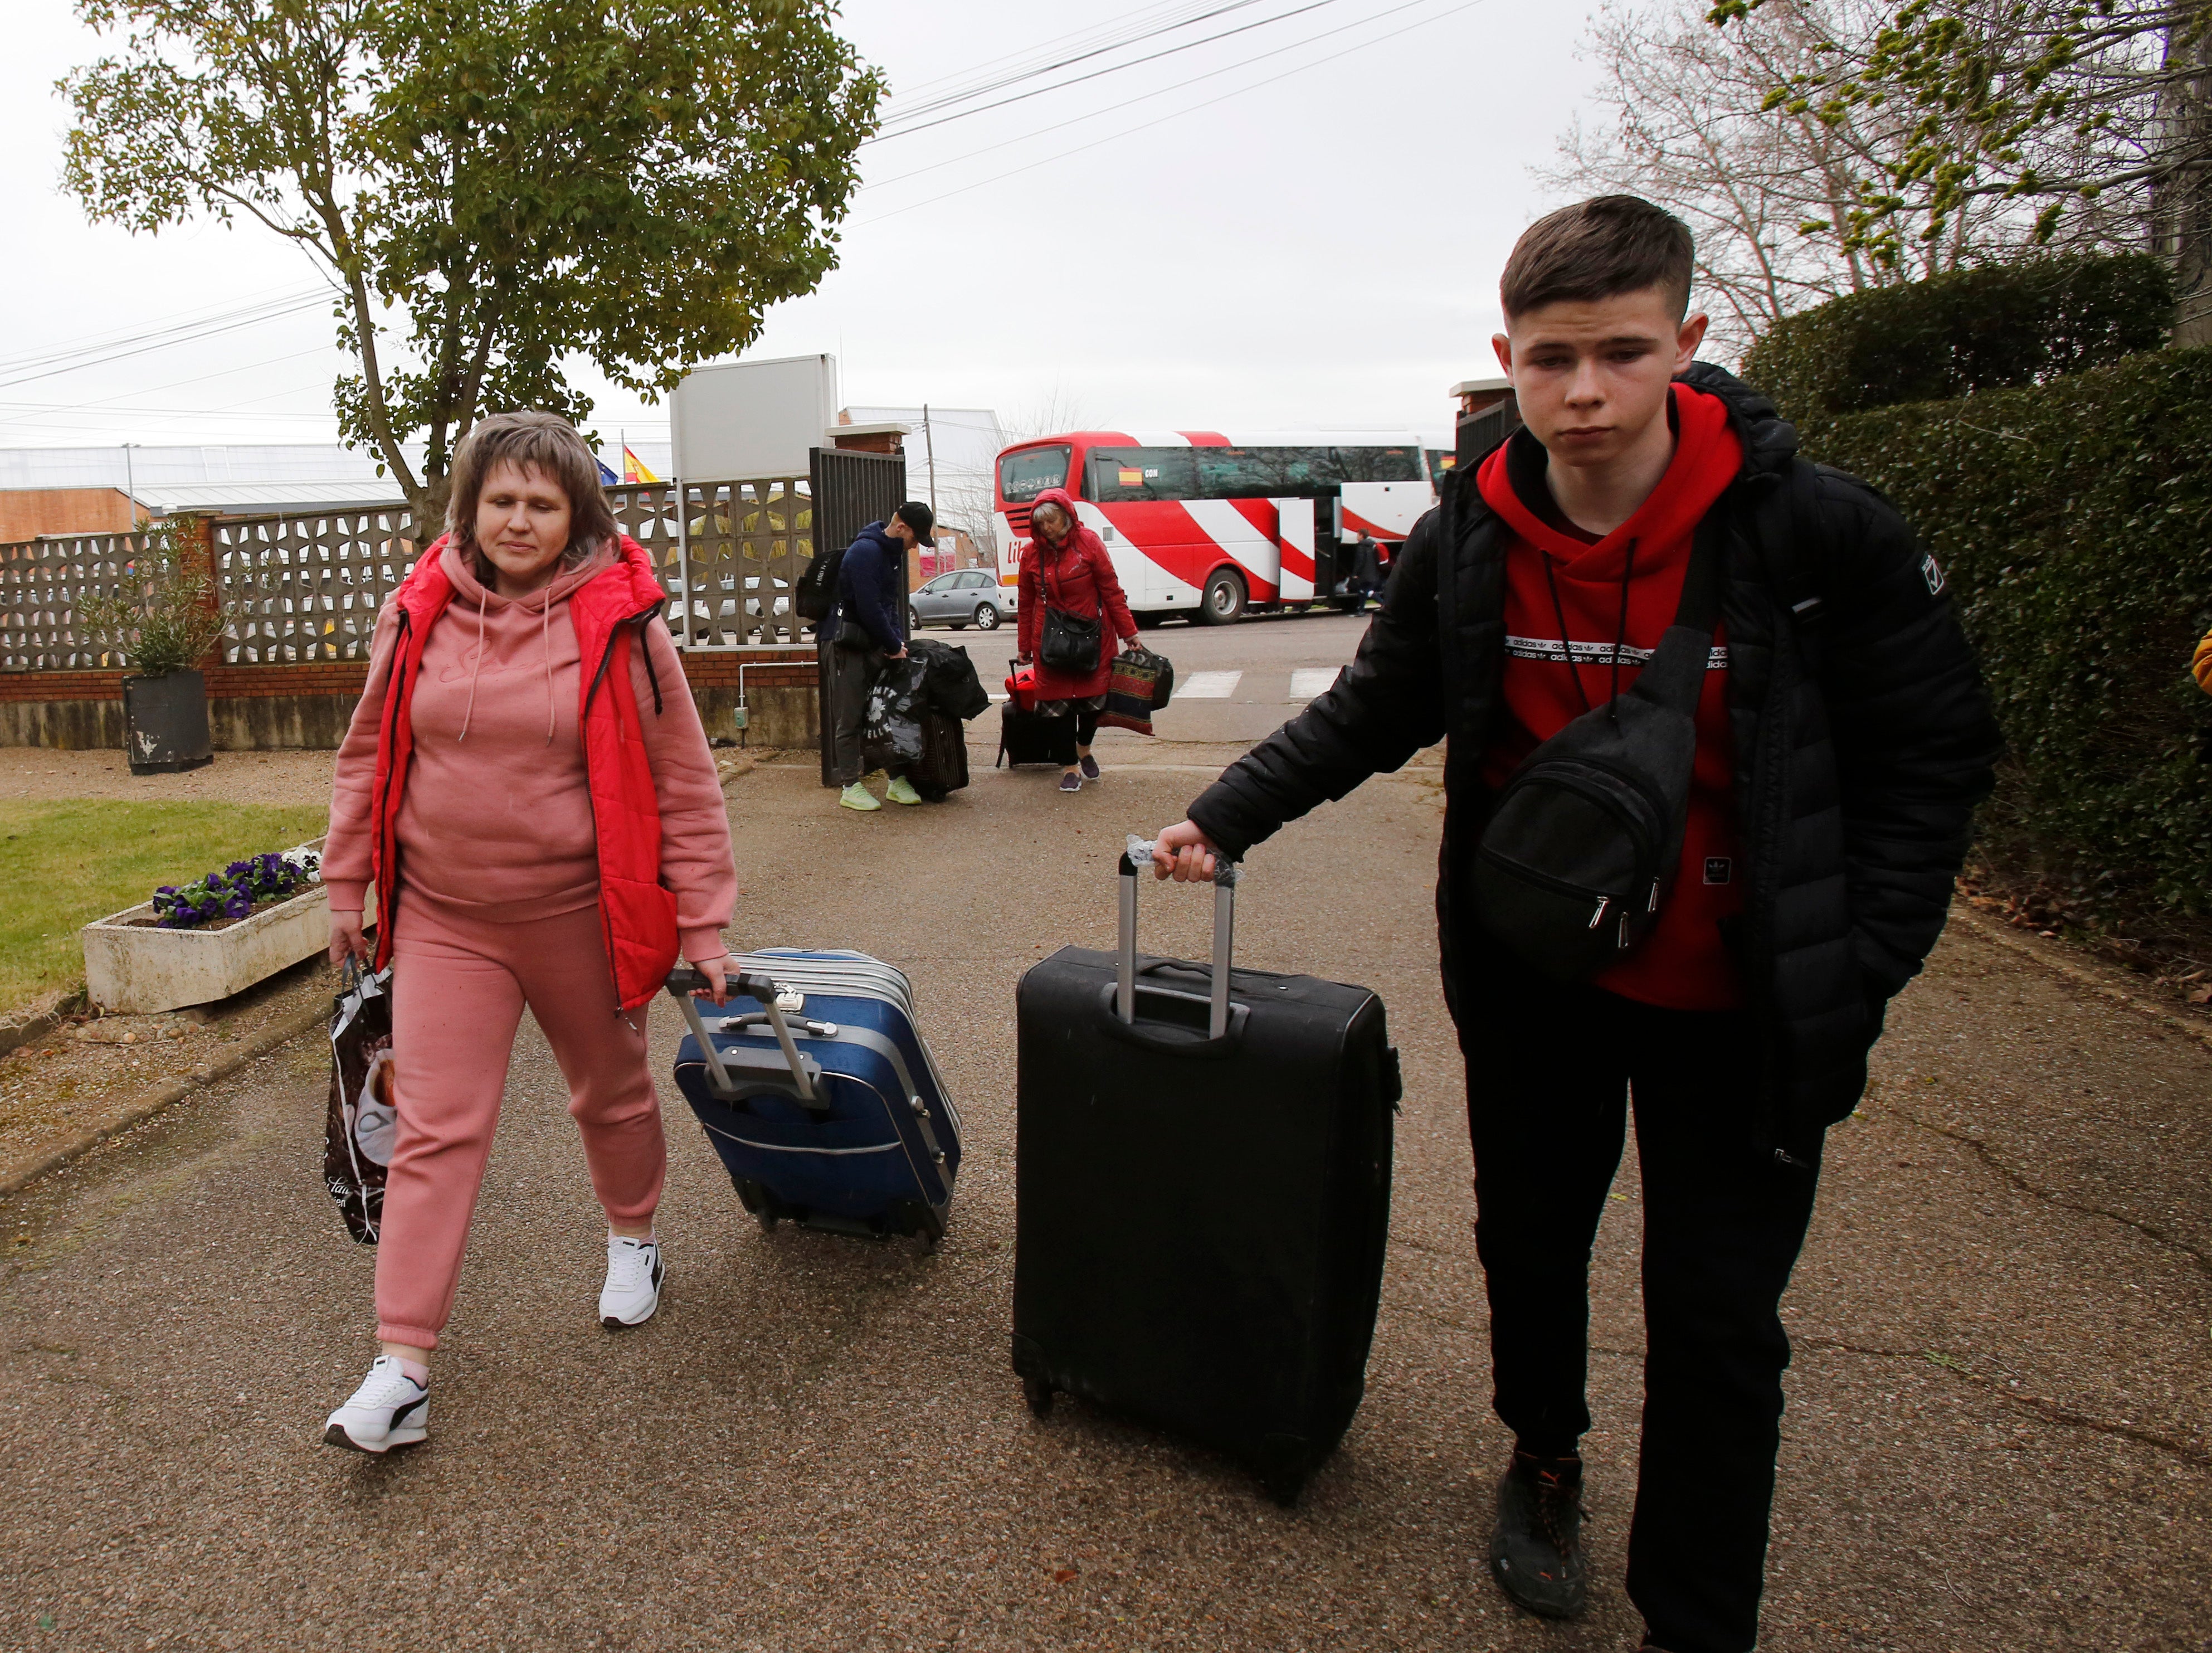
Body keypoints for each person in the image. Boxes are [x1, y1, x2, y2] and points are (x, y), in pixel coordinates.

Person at [1148, 197, 2001, 1653]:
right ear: (1506, 357)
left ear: (1688, 339)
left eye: (1621, 351)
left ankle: (1694, 1612)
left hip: (1742, 1008)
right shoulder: (1471, 530)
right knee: (1529, 1249)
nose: (1586, 392)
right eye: (1552, 360)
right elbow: (1376, 703)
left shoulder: (1813, 532)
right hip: (1536, 983)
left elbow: (1934, 755)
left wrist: (1857, 972)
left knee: (1719, 1320)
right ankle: (1542, 1456)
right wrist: (1224, 813)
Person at [318, 411, 738, 1453]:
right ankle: (401, 1362)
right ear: (469, 508)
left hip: (579, 913)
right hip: (447, 921)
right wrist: (345, 883)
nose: (518, 519)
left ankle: (633, 1238)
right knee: (434, 1126)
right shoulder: (418, 611)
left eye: (541, 504)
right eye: (499, 499)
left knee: (609, 1092)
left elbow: (682, 777)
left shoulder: (624, 622)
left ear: (575, 515)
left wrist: (708, 923)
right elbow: (367, 748)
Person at [1014, 488, 1139, 793]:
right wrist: (1024, 647)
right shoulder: (1031, 553)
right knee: (1058, 707)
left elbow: (1111, 590)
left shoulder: (1090, 543)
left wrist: (1129, 632)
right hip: (1050, 640)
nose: (1047, 529)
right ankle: (1070, 765)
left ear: (1067, 517)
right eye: (1041, 524)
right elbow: (1026, 601)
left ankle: (1084, 746)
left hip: (1092, 636)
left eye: (1052, 521)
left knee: (1094, 702)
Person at [830, 500, 933, 813]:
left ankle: (895, 779)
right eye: (915, 538)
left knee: (888, 713)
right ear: (901, 527)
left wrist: (897, 642)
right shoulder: (865, 552)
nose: (915, 546)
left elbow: (889, 604)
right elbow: (869, 608)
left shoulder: (891, 556)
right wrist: (892, 644)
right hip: (852, 646)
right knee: (850, 718)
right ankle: (850, 786)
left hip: (878, 645)